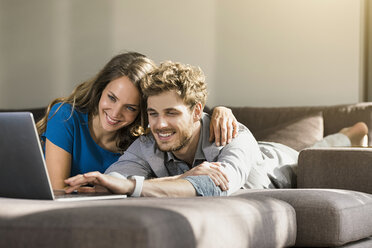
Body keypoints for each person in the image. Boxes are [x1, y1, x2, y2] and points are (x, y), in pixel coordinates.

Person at [64, 61, 368, 197]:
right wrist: (105, 183)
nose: (159, 124)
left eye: (171, 113)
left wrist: (134, 186)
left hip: (279, 163)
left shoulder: (235, 135)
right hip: (249, 154)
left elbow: (215, 187)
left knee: (314, 153)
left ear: (198, 111)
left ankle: (352, 133)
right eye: (153, 113)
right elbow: (119, 175)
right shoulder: (149, 142)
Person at [37, 53, 238, 190]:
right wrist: (184, 177)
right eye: (112, 98)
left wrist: (219, 111)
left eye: (130, 107)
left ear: (143, 112)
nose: (115, 113)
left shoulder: (144, 141)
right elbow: (57, 192)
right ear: (100, 89)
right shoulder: (66, 115)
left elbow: (139, 189)